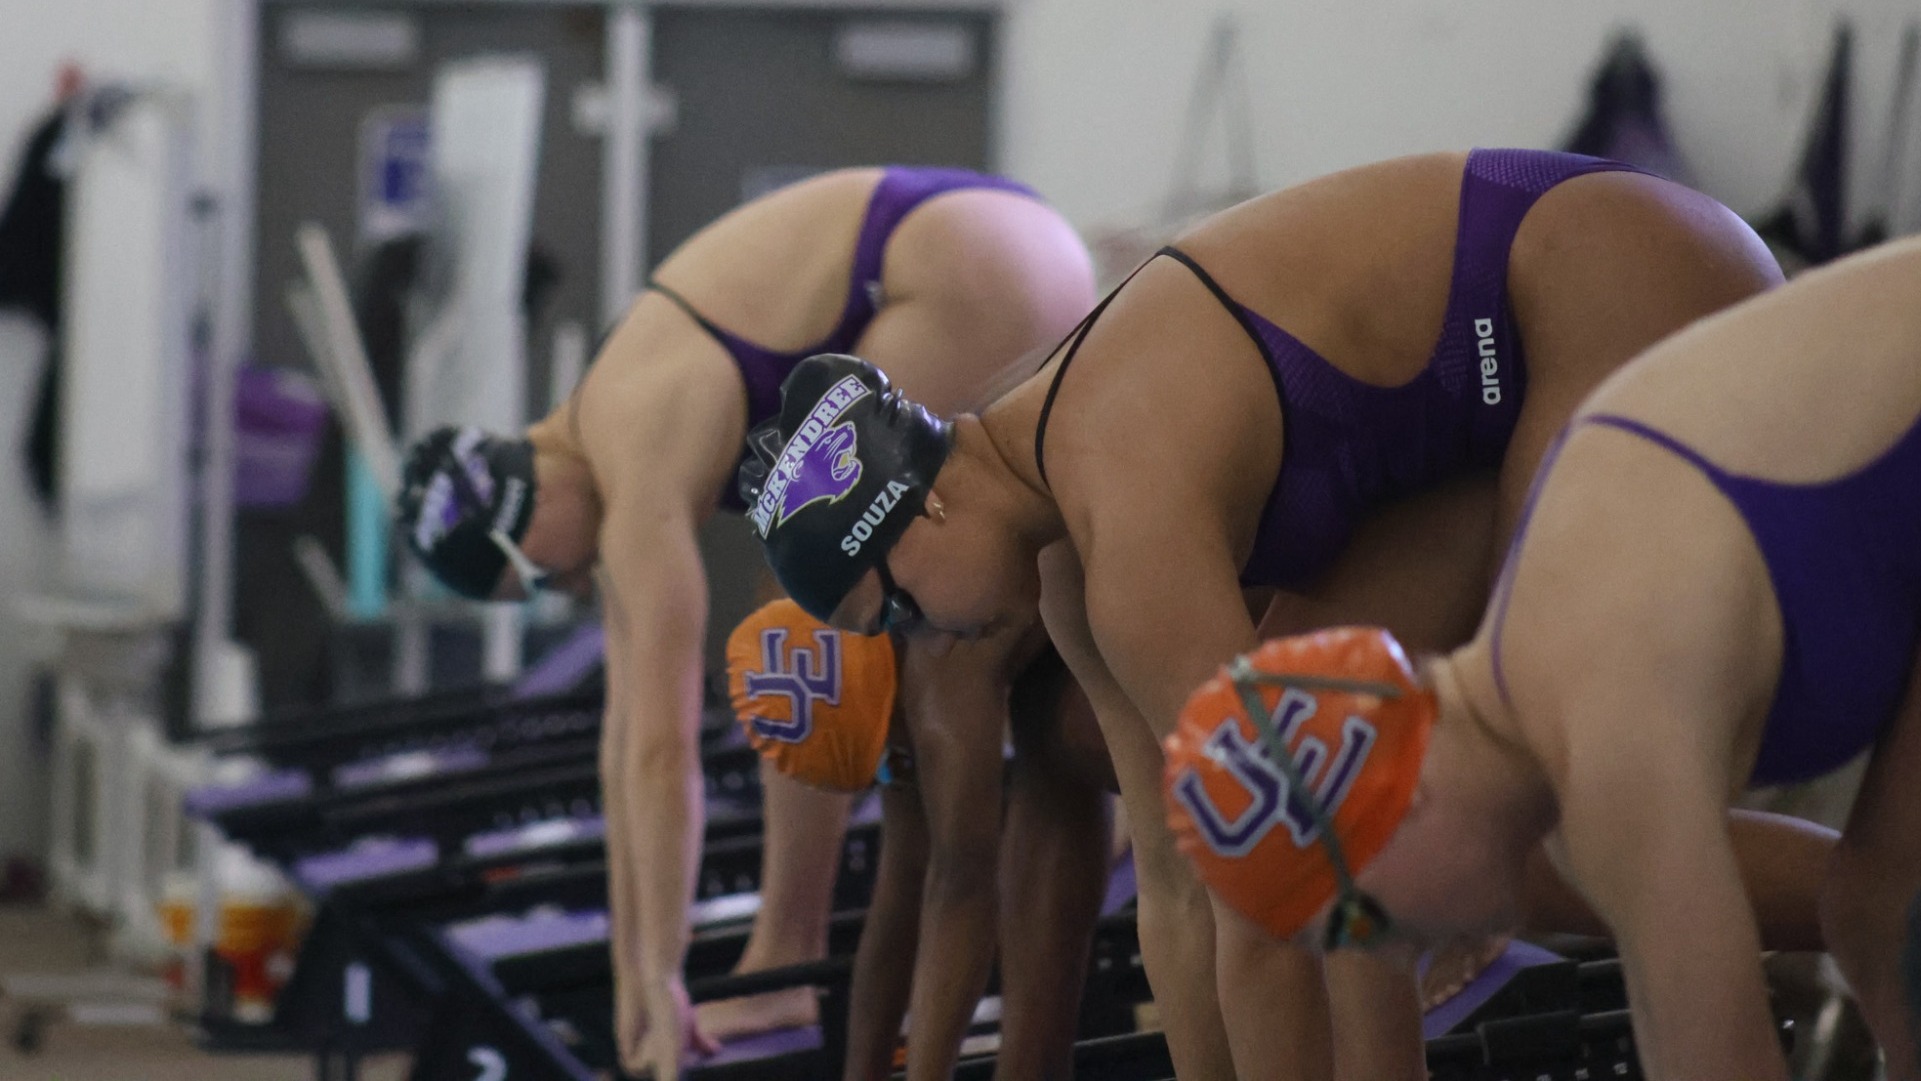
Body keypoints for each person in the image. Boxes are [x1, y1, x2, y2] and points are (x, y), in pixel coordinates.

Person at [740, 148, 1783, 1078]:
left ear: (920, 507)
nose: (927, 639)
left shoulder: (1119, 498)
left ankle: (1851, 906)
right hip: (1477, 413)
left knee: (1567, 800)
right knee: (1336, 791)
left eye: (900, 610)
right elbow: (1175, 882)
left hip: (1612, 275)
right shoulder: (1065, 566)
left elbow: (1266, 883)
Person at [391, 166, 1095, 1080]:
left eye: (529, 574)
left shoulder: (632, 442)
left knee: (812, 619)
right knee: (871, 616)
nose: (557, 585)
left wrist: (663, 970)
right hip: (991, 241)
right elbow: (623, 745)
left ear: (522, 505)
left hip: (960, 262)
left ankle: (784, 953)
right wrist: (636, 972)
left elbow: (663, 747)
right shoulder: (607, 431)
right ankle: (807, 941)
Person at [1163, 234, 1921, 1081]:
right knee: (1875, 912)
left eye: (1366, 923)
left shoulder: (1603, 732)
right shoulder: (1544, 679)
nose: (1396, 950)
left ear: (1402, 809)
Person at [726, 599, 1113, 1081]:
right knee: (1044, 751)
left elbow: (962, 889)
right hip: (1047, 632)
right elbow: (904, 885)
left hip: (1129, 617)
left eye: (890, 756)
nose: (897, 772)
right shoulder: (878, 649)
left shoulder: (941, 666)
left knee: (1069, 739)